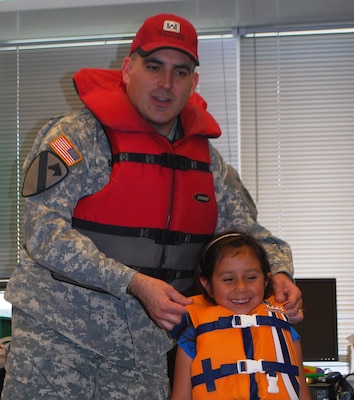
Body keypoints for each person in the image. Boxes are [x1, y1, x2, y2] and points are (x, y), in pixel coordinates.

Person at [2, 13, 302, 400]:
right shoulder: (73, 138)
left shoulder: (208, 165)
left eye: (180, 72)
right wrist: (134, 283)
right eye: (154, 66)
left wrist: (279, 274)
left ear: (193, 82)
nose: (165, 84)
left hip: (142, 357)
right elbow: (44, 235)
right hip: (55, 345)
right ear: (128, 69)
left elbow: (254, 238)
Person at [171, 231, 310, 400]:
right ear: (207, 285)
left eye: (251, 277)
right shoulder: (191, 338)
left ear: (266, 281)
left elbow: (302, 394)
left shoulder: (286, 334)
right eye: (228, 279)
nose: (241, 288)